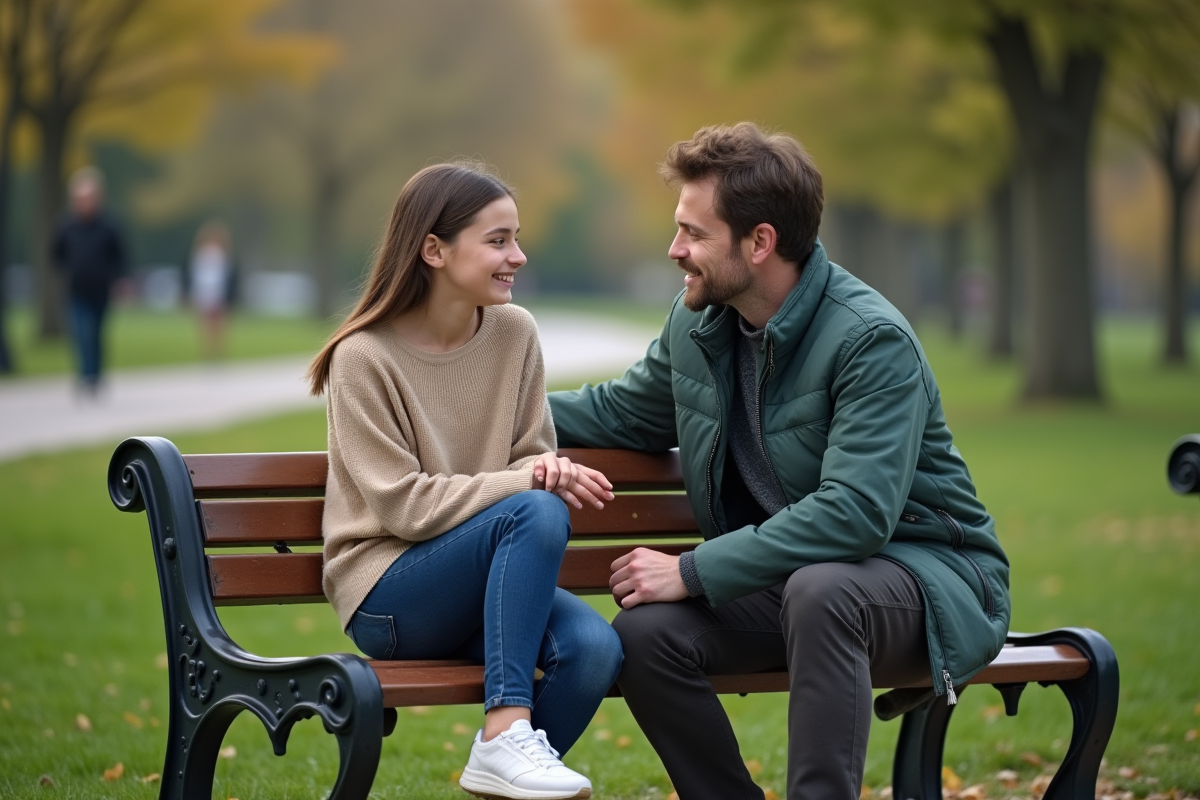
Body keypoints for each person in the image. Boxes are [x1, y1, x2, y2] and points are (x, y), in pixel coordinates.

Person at [548, 123, 1011, 800]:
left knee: (823, 591)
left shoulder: (870, 339)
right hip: (795, 581)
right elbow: (621, 413)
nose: (676, 250)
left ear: (760, 242)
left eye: (694, 233)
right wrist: (475, 411)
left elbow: (856, 515)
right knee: (648, 634)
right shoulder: (699, 321)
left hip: (929, 577)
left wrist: (691, 570)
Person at [307, 162, 622, 800]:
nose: (518, 256)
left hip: (481, 585)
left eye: (516, 239)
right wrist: (526, 482)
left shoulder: (514, 333)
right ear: (435, 250)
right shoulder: (363, 357)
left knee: (593, 649)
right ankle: (506, 727)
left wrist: (543, 470)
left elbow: (532, 456)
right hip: (389, 597)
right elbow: (403, 507)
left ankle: (502, 762)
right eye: (498, 240)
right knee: (537, 510)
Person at [52, 167, 126, 395]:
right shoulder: (67, 226)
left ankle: (95, 375)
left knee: (95, 333)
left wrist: (119, 280)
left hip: (100, 290)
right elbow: (57, 254)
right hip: (77, 289)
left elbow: (119, 256)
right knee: (80, 333)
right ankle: (85, 375)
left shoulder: (108, 226)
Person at [186, 220, 235, 360]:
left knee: (219, 325)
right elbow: (194, 274)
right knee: (205, 324)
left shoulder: (222, 254)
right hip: (204, 292)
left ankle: (218, 351)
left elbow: (227, 276)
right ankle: (207, 351)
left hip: (218, 293)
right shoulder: (200, 254)